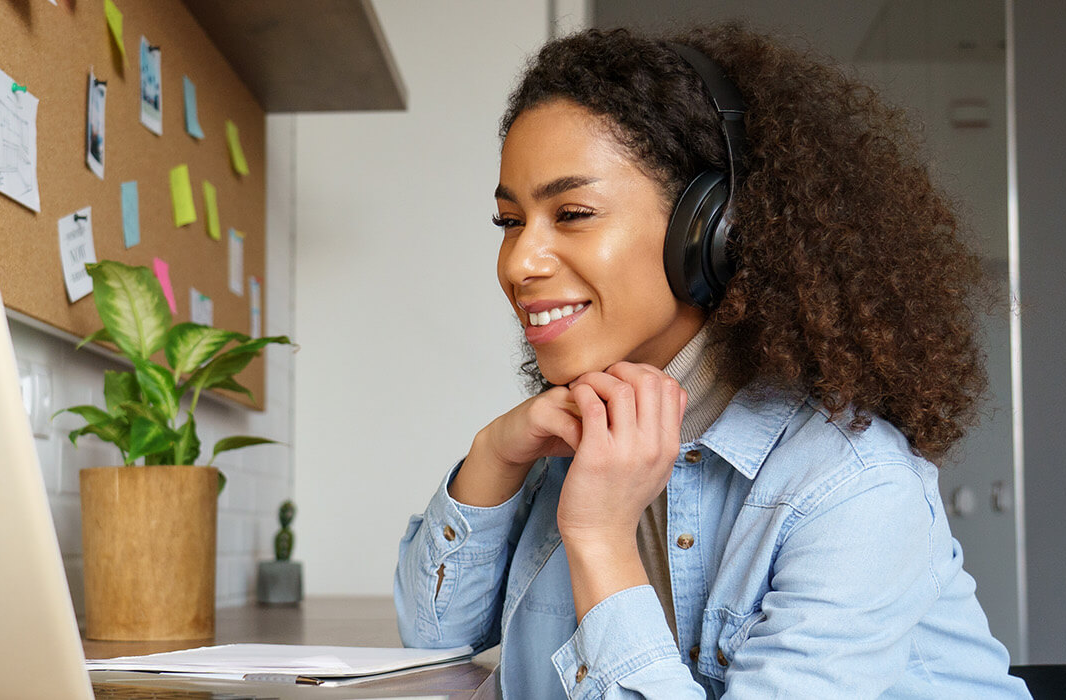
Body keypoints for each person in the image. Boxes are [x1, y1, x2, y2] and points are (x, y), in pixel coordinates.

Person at [393, 24, 1032, 699]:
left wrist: (602, 537)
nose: (520, 263)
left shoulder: (855, 488)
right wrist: (495, 453)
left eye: (573, 213)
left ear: (711, 230)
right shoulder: (575, 436)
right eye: (510, 221)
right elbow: (435, 647)